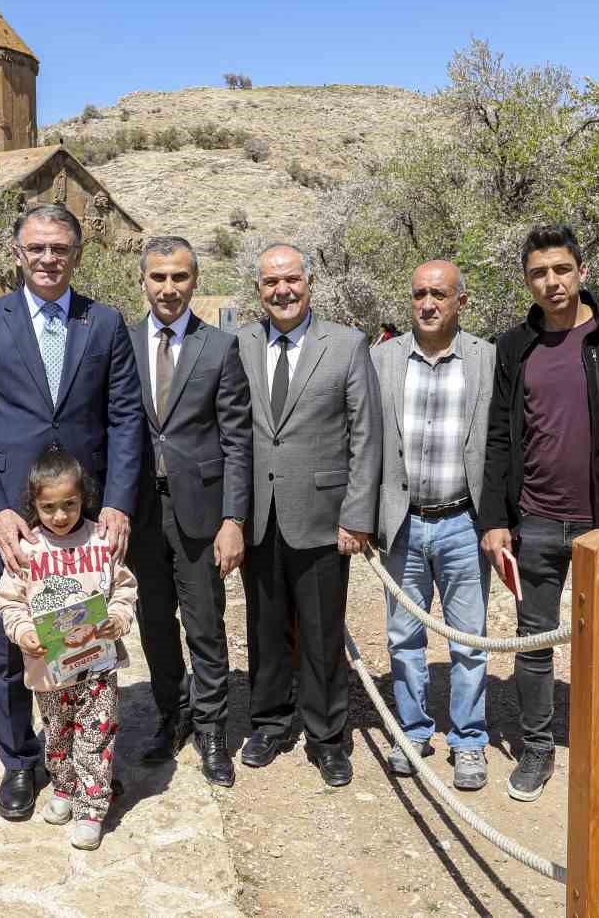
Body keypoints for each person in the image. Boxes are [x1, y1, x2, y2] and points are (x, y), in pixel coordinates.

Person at [0, 205, 142, 821]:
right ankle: (21, 762)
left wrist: (115, 502)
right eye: (36, 248)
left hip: (84, 520)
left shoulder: (105, 323)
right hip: (14, 519)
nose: (48, 259)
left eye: (59, 248)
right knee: (13, 644)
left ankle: (83, 758)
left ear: (77, 254)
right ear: (17, 254)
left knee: (82, 636)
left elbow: (123, 418)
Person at [478, 225, 599, 803]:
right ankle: (537, 748)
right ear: (527, 281)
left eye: (560, 270)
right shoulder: (513, 347)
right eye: (538, 273)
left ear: (581, 271)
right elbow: (500, 438)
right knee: (534, 641)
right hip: (537, 518)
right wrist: (497, 518)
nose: (551, 282)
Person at [234, 242, 381, 788]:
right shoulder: (240, 344)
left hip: (323, 516)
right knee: (264, 627)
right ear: (258, 290)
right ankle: (269, 723)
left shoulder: (345, 345)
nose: (283, 291)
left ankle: (327, 737)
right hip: (259, 514)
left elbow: (366, 435)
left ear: (310, 282)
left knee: (322, 634)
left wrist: (358, 514)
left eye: (291, 279)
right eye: (271, 283)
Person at [126, 236, 251, 786]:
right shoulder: (121, 343)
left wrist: (233, 520)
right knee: (153, 623)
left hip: (200, 511)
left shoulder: (219, 347)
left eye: (179, 277)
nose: (169, 288)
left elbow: (237, 440)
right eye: (159, 277)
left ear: (194, 281)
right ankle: (170, 715)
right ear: (144, 282)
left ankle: (213, 731)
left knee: (205, 625)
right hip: (138, 512)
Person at [371, 261, 496, 790]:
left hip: (463, 523)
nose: (427, 303)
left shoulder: (488, 359)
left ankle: (469, 741)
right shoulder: (382, 358)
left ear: (460, 302)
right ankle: (414, 730)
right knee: (404, 636)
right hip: (401, 523)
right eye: (419, 292)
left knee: (469, 639)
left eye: (439, 294)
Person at [0, 448, 139, 850]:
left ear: (83, 498)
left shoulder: (100, 540)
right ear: (34, 505)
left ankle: (92, 807)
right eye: (49, 507)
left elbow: (124, 588)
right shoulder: (27, 550)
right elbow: (9, 600)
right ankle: (64, 788)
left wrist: (118, 618)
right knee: (57, 735)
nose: (60, 516)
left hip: (98, 664)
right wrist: (23, 631)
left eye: (69, 505)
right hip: (49, 670)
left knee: (95, 734)